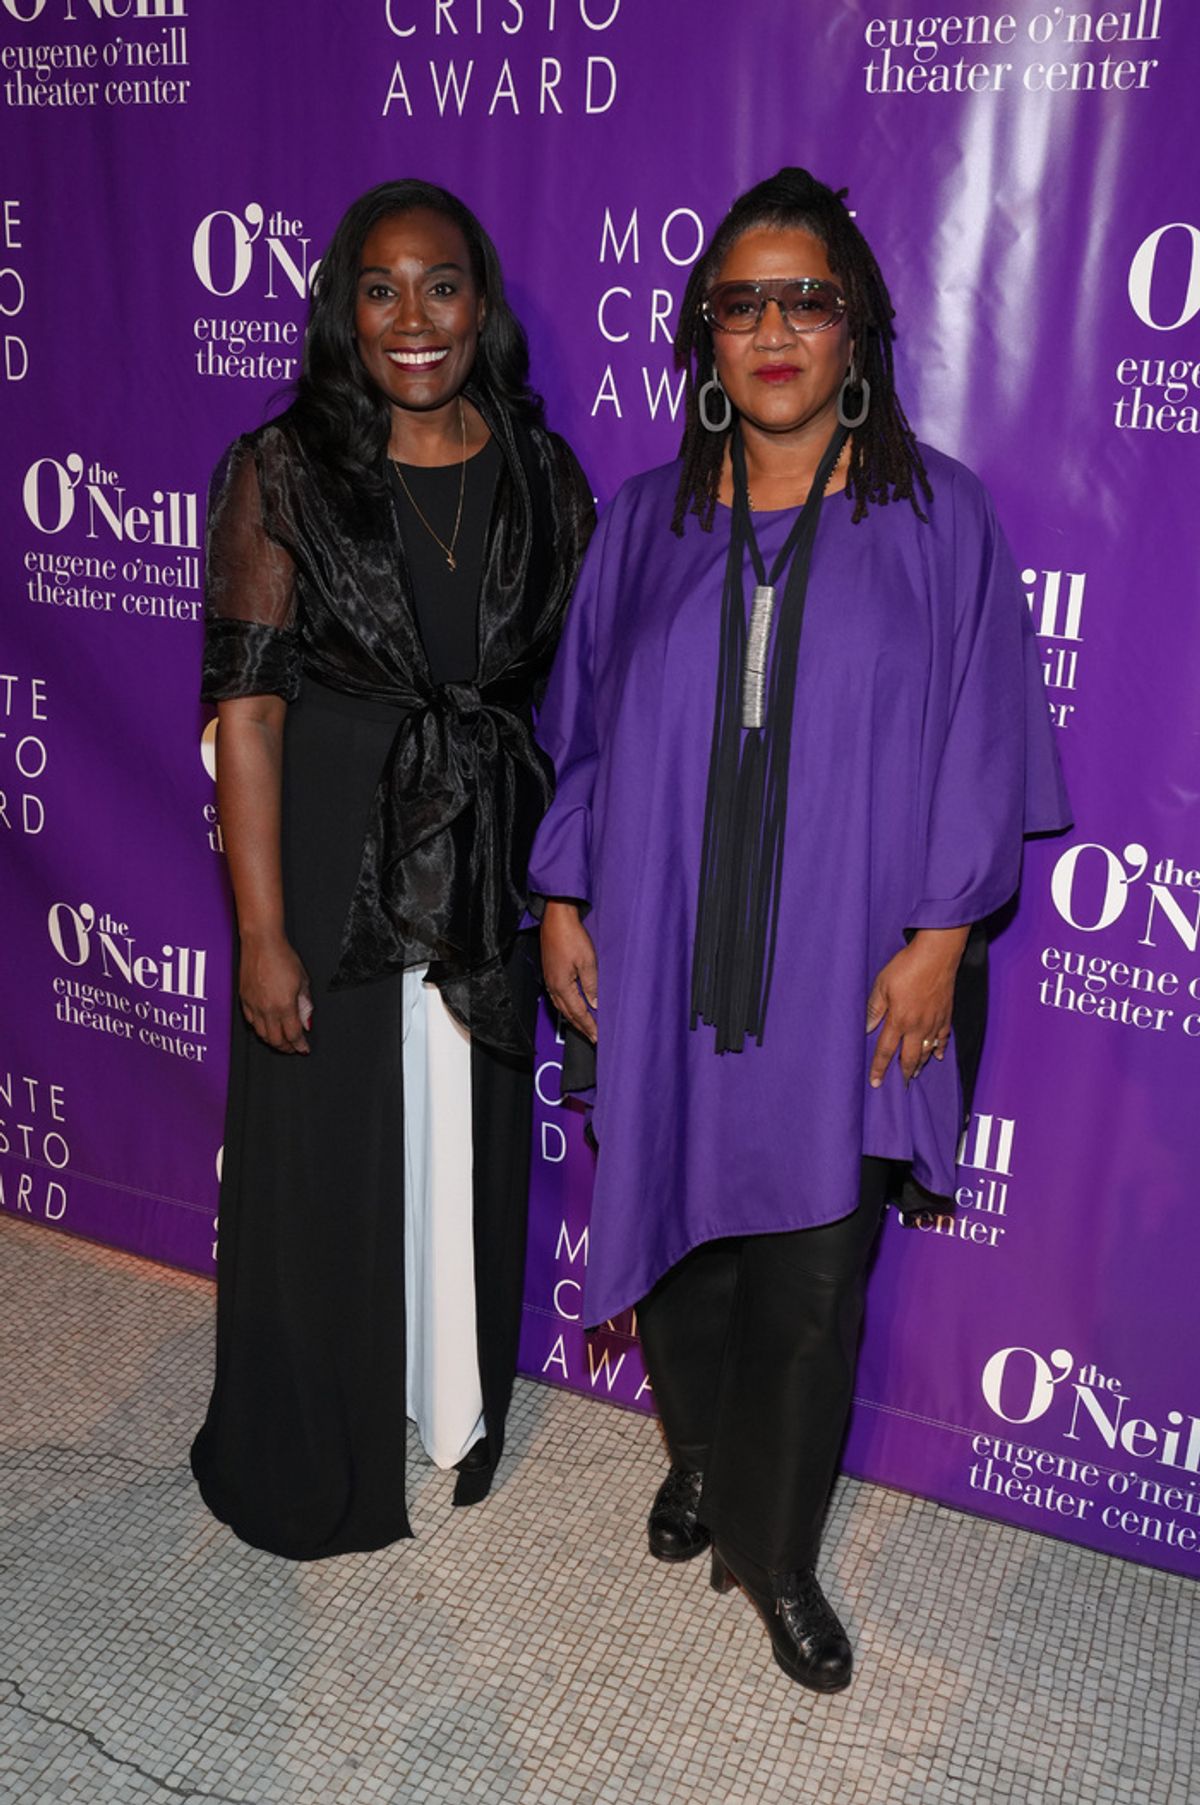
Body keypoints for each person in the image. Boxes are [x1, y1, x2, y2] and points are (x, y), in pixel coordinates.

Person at [530, 168, 1068, 1689]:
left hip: (851, 966)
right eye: (742, 303)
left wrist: (941, 938)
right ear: (706, 333)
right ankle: (700, 1458)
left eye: (806, 301)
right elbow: (581, 736)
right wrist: (563, 897)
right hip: (664, 954)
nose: (774, 331)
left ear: (858, 328)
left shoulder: (940, 517)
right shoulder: (644, 522)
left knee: (816, 1279)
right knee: (680, 1243)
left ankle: (773, 1552)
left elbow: (981, 748)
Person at [190, 179, 593, 1560]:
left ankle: (445, 1402)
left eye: (440, 286)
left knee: (464, 1130)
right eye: (380, 289)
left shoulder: (542, 472)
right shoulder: (283, 467)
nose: (412, 318)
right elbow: (248, 712)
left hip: (482, 841)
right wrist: (261, 930)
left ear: (482, 305)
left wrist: (567, 884)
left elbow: (583, 696)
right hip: (330, 849)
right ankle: (314, 1436)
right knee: (327, 1146)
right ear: (343, 311)